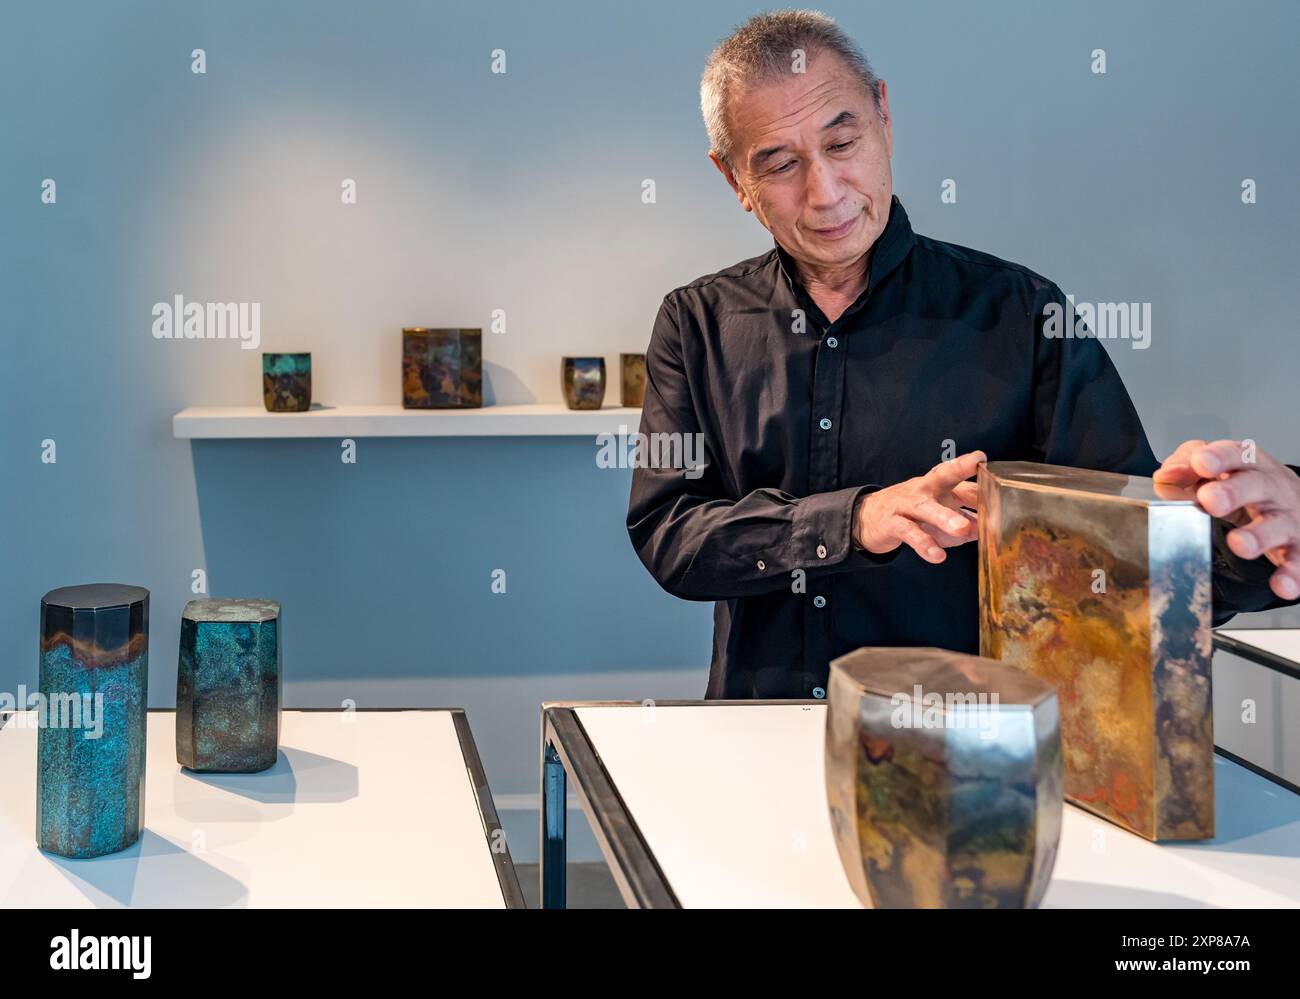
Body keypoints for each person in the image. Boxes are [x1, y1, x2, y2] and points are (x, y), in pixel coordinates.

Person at [626, 10, 1300, 699]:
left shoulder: (1022, 313)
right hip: (755, 732)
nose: (825, 192)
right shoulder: (696, 321)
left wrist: (1250, 541)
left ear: (884, 119)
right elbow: (671, 534)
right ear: (734, 179)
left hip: (969, 751)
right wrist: (855, 519)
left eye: (842, 142)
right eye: (780, 164)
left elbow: (1123, 553)